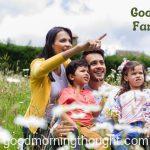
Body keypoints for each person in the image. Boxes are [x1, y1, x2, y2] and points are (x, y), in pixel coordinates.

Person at [23, 26, 101, 149]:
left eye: (70, 41)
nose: (68, 44)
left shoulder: (66, 65)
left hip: (60, 123)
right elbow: (41, 70)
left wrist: (90, 52)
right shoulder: (37, 64)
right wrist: (78, 48)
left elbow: (81, 72)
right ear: (51, 44)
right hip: (37, 124)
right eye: (63, 40)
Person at [112, 60, 150, 149]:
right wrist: (114, 113)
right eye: (134, 73)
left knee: (117, 140)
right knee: (113, 139)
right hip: (123, 126)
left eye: (140, 73)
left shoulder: (147, 93)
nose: (138, 76)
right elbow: (116, 109)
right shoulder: (121, 96)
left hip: (139, 125)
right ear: (126, 77)